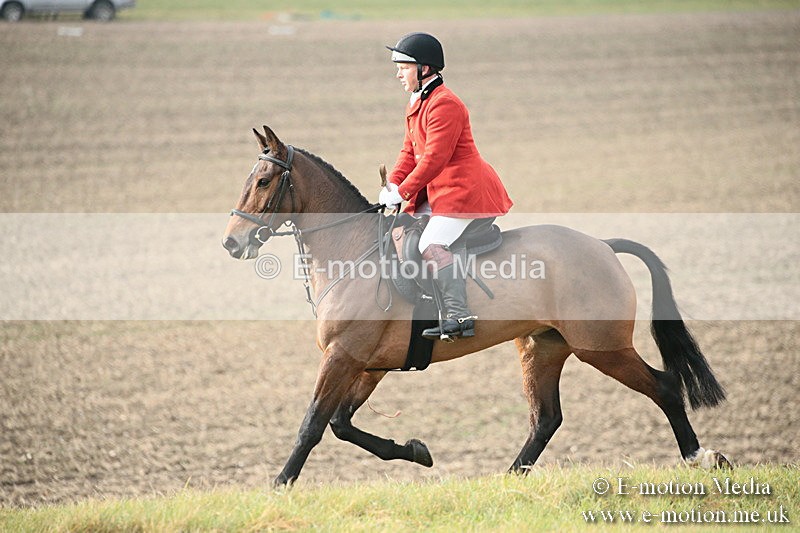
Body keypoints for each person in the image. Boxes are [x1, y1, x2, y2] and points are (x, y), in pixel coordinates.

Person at [379, 32, 513, 340]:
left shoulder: (445, 104)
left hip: (464, 192)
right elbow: (409, 153)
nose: (398, 73)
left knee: (430, 245)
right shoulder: (418, 102)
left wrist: (404, 191)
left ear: (424, 69)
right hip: (440, 190)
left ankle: (459, 315)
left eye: (404, 67)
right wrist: (393, 184)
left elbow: (434, 160)